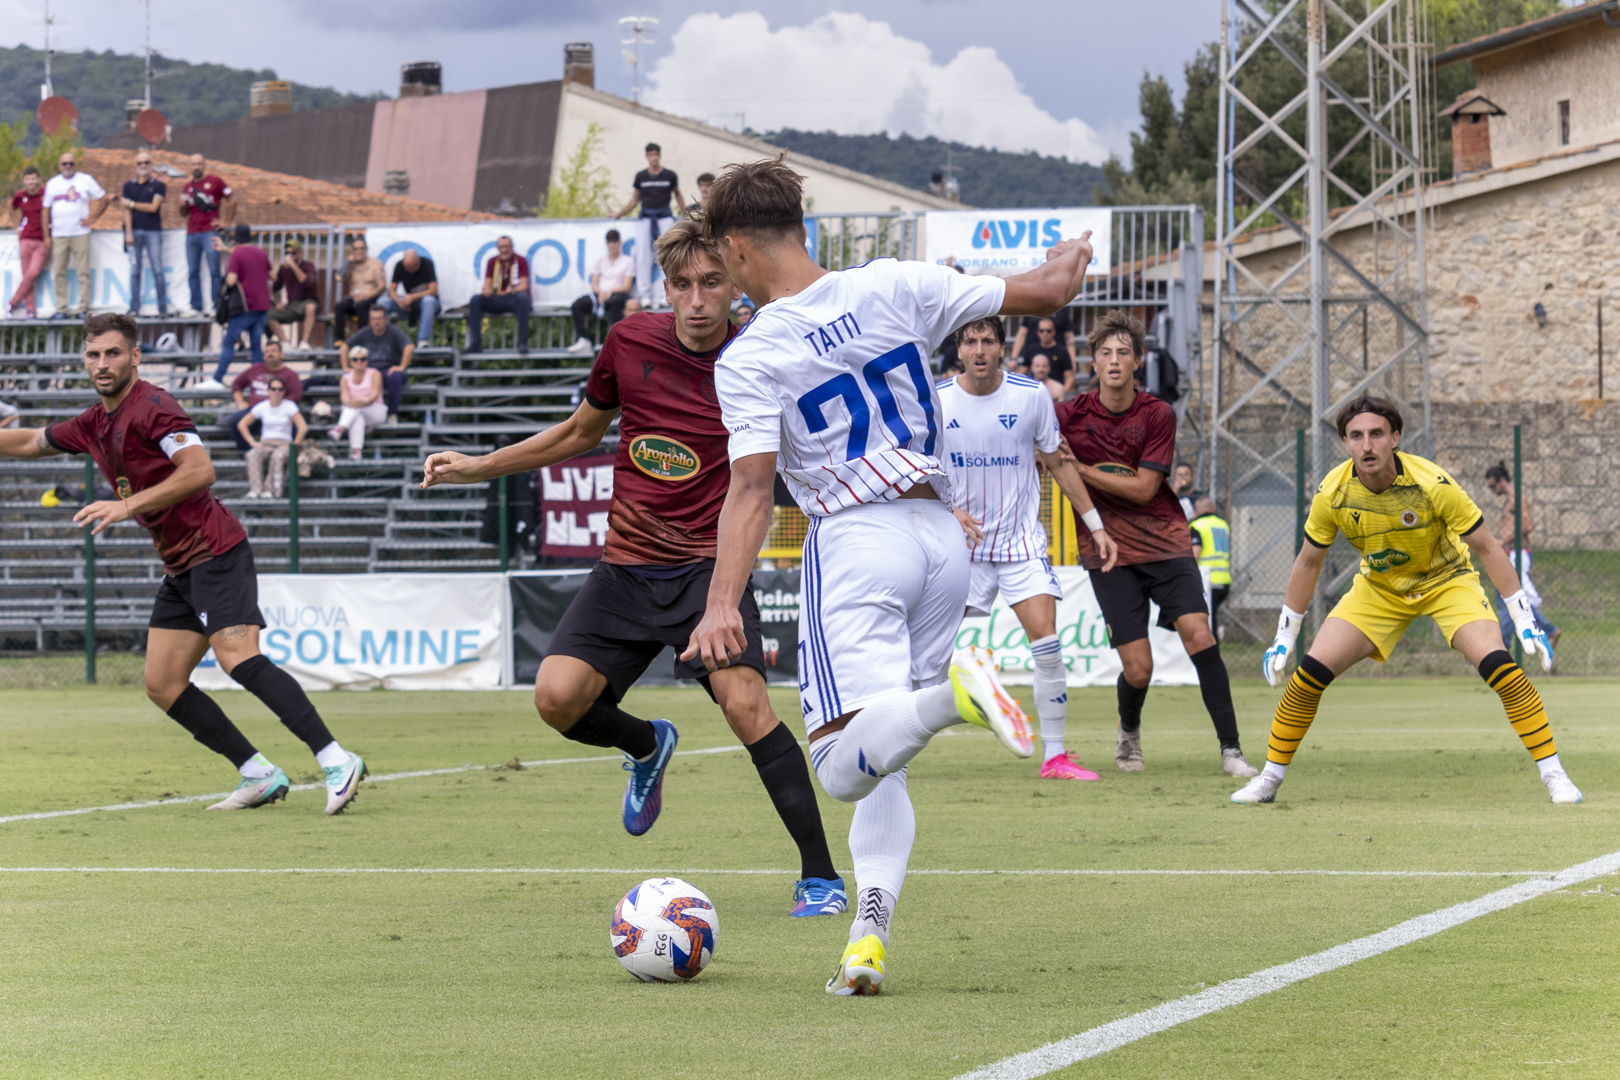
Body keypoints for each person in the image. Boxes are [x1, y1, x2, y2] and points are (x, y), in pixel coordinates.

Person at [683, 156, 1093, 996]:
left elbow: (752, 489)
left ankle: (957, 698)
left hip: (857, 539)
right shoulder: (894, 283)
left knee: (840, 765)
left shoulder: (751, 353)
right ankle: (866, 941)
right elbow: (1051, 292)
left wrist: (722, 603)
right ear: (801, 226)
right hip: (944, 538)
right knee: (885, 753)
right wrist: (1072, 253)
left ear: (735, 248)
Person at [421, 220, 848, 918]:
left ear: (735, 286)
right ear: (666, 290)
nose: (697, 300)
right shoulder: (628, 343)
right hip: (625, 567)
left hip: (709, 572)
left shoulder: (764, 356)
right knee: (556, 699)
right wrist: (479, 466)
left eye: (712, 282)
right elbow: (578, 433)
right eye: (683, 285)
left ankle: (820, 878)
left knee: (747, 708)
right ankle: (648, 744)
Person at [0, 312, 367, 812]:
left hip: (214, 549)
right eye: (93, 354)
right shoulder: (94, 422)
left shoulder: (156, 406)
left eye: (113, 353)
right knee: (162, 683)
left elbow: (200, 470)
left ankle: (336, 759)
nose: (102, 363)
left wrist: (126, 505)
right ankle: (258, 773)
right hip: (180, 565)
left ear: (135, 356)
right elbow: (30, 440)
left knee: (239, 658)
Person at [1239, 396, 1581, 806]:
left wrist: (1524, 618)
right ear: (1345, 443)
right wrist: (1285, 634)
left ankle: (1555, 775)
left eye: (1377, 434)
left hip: (1447, 581)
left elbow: (1488, 547)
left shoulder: (1432, 483)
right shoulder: (1332, 492)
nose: (1367, 445)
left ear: (1395, 438)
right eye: (1356, 436)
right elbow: (1309, 560)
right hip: (1379, 590)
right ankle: (1269, 780)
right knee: (1307, 676)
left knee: (1501, 668)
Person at [1056, 309, 1259, 779]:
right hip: (1108, 553)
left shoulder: (1157, 413)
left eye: (1123, 352)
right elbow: (1033, 441)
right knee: (1139, 669)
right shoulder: (1068, 415)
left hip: (1166, 542)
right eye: (1105, 352)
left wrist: (1080, 469)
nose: (1113, 360)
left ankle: (1231, 750)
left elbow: (1146, 489)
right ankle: (1129, 733)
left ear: (1138, 361)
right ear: (1092, 361)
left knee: (1201, 636)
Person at [938, 314, 1118, 782]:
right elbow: (918, 469)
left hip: (1021, 545)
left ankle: (1054, 756)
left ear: (1003, 348)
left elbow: (1058, 462)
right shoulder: (937, 401)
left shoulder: (1031, 395)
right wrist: (949, 510)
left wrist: (1095, 525)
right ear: (959, 349)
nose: (979, 350)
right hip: (963, 549)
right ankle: (894, 745)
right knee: (928, 656)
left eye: (988, 341)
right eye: (971, 342)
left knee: (1048, 645)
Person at [1484, 461, 1560, 652]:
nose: (1492, 491)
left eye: (1492, 486)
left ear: (1502, 480)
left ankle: (1546, 630)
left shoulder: (1517, 498)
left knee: (1512, 599)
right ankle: (1505, 647)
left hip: (1518, 554)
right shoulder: (1510, 498)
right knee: (1508, 601)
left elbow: (1527, 526)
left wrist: (1504, 541)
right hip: (1509, 554)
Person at [201, 224, 272, 390]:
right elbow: (271, 274)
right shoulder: (261, 252)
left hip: (245, 307)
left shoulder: (237, 254)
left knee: (228, 342)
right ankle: (258, 382)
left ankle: (217, 379)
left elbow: (231, 280)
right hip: (262, 306)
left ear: (235, 239)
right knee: (256, 346)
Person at [45, 152, 108, 318]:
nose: (68, 166)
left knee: (83, 271)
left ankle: (83, 308)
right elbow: (45, 209)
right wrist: (46, 235)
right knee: (59, 272)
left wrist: (93, 218)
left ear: (75, 165)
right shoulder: (52, 183)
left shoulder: (85, 180)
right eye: (64, 163)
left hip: (80, 233)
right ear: (59, 166)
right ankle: (61, 308)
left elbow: (104, 198)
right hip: (59, 233)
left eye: (71, 163)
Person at [222, 338, 303, 451]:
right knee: (236, 421)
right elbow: (236, 384)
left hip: (279, 413)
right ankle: (247, 453)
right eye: (267, 351)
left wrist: (277, 405)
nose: (270, 354)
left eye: (273, 351)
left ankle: (289, 456)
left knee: (293, 428)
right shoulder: (255, 369)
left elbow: (296, 396)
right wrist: (240, 402)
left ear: (281, 354)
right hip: (255, 411)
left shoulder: (290, 374)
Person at [566, 229, 637, 355]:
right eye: (610, 242)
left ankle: (614, 340)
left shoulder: (628, 261)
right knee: (577, 305)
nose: (612, 245)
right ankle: (584, 339)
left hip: (617, 294)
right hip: (600, 294)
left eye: (615, 241)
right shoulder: (600, 260)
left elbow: (626, 286)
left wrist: (610, 291)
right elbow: (594, 284)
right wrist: (601, 293)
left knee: (616, 302)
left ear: (619, 243)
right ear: (606, 244)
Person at [180, 155, 232, 317]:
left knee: (214, 270)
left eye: (199, 164)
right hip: (192, 232)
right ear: (190, 166)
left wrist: (226, 222)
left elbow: (233, 199)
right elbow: (183, 213)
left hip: (210, 231)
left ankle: (215, 305)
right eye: (193, 164)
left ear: (204, 165)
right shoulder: (187, 186)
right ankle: (195, 306)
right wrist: (182, 205)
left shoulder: (215, 181)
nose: (196, 167)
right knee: (192, 271)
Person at [342, 302, 413, 421]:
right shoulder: (364, 332)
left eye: (379, 318)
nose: (376, 322)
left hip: (387, 372)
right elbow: (344, 347)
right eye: (373, 319)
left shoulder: (394, 332)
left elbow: (409, 347)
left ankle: (392, 414)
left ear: (385, 319)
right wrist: (346, 367)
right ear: (369, 320)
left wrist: (401, 367)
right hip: (368, 373)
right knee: (347, 377)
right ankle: (356, 412)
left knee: (396, 376)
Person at [238, 377, 306, 499]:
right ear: (268, 390)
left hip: (283, 443)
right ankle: (255, 490)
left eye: (280, 389)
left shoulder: (289, 406)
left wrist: (294, 445)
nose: (277, 392)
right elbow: (242, 424)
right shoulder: (262, 406)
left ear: (284, 391)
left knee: (277, 456)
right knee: (252, 454)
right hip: (266, 443)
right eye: (274, 389)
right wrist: (252, 442)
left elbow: (303, 427)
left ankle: (271, 490)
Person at [121, 151, 169, 318]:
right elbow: (125, 211)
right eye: (140, 163)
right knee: (135, 270)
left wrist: (131, 204)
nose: (143, 166)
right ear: (135, 165)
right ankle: (134, 307)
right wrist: (128, 233)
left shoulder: (159, 185)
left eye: (146, 162)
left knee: (157, 269)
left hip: (152, 231)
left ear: (151, 165)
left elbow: (153, 207)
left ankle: (162, 308)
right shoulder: (128, 186)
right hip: (134, 232)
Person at [465, 235, 531, 354]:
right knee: (476, 300)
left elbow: (524, 286)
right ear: (497, 248)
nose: (504, 250)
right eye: (501, 247)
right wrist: (486, 290)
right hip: (498, 298)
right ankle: (476, 344)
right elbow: (487, 284)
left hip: (513, 298)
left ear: (512, 247)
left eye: (506, 247)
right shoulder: (492, 261)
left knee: (523, 298)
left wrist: (512, 290)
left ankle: (523, 343)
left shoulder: (520, 260)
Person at [618, 142, 685, 241]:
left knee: (668, 245)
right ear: (647, 156)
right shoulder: (641, 176)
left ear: (660, 155)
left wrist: (685, 213)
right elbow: (635, 199)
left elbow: (678, 194)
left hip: (665, 216)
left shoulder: (670, 175)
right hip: (646, 217)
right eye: (651, 155)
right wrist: (619, 214)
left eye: (656, 154)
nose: (654, 157)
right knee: (642, 247)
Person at [330, 346, 385, 460]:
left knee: (353, 409)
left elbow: (373, 397)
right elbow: (344, 398)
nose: (359, 362)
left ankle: (340, 428)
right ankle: (356, 452)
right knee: (357, 415)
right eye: (355, 359)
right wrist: (358, 402)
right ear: (350, 361)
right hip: (357, 412)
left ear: (367, 360)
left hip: (375, 410)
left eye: (362, 359)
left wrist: (356, 402)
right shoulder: (345, 378)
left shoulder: (374, 374)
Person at [7, 166, 48, 318]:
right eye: (28, 179)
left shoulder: (45, 194)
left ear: (38, 180)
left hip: (42, 239)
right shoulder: (20, 196)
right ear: (24, 181)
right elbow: (11, 209)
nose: (31, 181)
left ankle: (13, 302)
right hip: (25, 239)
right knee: (27, 275)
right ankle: (30, 309)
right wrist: (16, 226)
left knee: (33, 272)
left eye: (33, 178)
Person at [1189, 496, 1231, 637]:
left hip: (1207, 581)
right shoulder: (1223, 525)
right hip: (1224, 580)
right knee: (1212, 619)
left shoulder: (1196, 526)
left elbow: (1194, 554)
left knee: (1208, 623)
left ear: (1195, 512)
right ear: (1212, 508)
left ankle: (1212, 648)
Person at [381, 247, 440, 346]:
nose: (410, 270)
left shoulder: (427, 264)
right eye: (407, 268)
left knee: (428, 301)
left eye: (413, 267)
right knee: (383, 302)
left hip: (424, 305)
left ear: (418, 260)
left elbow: (433, 291)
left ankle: (423, 342)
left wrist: (412, 297)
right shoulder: (399, 265)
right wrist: (399, 302)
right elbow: (391, 290)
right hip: (408, 305)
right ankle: (384, 341)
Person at [269, 239, 319, 350]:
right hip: (292, 305)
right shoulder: (283, 268)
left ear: (299, 253)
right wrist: (278, 302)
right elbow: (275, 288)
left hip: (307, 302)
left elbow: (307, 283)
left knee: (310, 307)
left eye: (293, 253)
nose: (290, 255)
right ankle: (285, 343)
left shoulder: (308, 266)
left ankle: (304, 342)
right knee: (269, 315)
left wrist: (292, 265)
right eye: (287, 253)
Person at [333, 236, 385, 341]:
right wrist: (349, 261)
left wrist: (366, 296)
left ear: (366, 249)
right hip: (353, 300)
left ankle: (362, 339)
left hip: (369, 300)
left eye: (362, 248)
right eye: (356, 249)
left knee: (362, 305)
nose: (359, 251)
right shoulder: (350, 266)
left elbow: (381, 286)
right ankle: (340, 340)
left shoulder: (375, 264)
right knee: (340, 306)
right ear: (352, 251)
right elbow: (338, 278)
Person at [1011, 313, 1076, 396]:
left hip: (1055, 395)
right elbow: (1023, 373)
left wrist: (1062, 392)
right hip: (1034, 394)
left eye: (1048, 331)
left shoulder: (1062, 351)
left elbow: (1069, 377)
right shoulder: (1031, 350)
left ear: (1054, 332)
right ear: (1038, 332)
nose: (1045, 333)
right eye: (1042, 331)